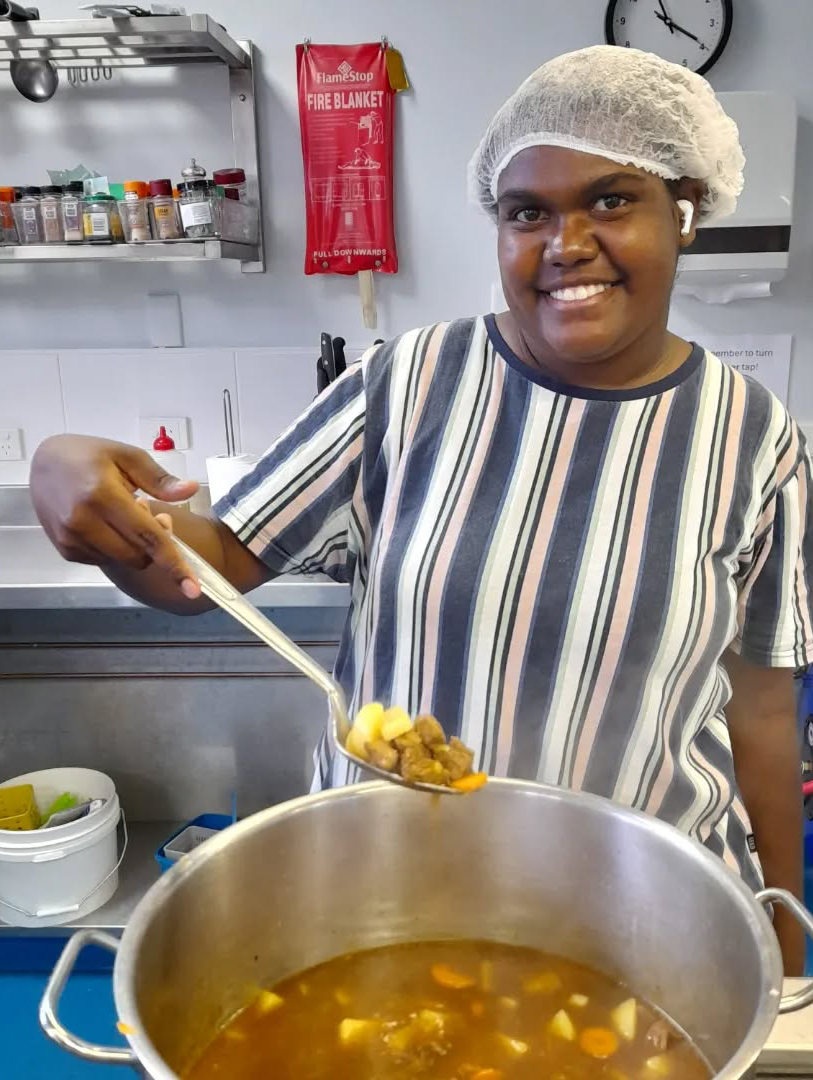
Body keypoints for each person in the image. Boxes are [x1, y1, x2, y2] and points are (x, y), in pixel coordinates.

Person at [31, 46, 812, 971]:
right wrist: (79, 485)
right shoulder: (406, 385)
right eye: (527, 212)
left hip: (646, 908)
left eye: (611, 199)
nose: (564, 243)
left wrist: (785, 927)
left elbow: (763, 706)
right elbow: (212, 570)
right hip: (393, 890)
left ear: (683, 214)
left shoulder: (753, 433)